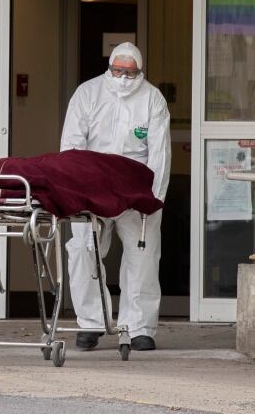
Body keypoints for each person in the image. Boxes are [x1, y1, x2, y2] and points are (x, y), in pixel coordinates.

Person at [61, 42, 171, 351]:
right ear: (109, 68)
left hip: (136, 189)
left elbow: (160, 154)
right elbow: (71, 145)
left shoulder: (152, 99)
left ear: (140, 71)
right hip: (91, 188)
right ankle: (91, 322)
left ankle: (139, 328)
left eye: (130, 72)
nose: (123, 78)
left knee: (143, 256)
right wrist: (75, 190)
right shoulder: (88, 94)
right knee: (84, 251)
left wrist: (154, 198)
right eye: (118, 71)